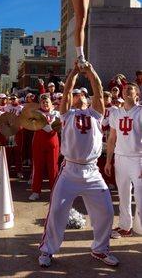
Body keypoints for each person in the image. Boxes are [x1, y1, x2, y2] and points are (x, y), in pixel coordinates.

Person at [38, 62, 118, 268]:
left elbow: (99, 91)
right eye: (76, 94)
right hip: (70, 170)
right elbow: (65, 92)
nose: (79, 95)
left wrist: (91, 71)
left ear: (87, 98)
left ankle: (100, 249)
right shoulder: (67, 114)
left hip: (92, 171)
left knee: (107, 212)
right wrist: (74, 72)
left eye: (82, 94)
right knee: (56, 212)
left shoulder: (96, 114)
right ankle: (47, 250)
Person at [105, 82, 142, 239]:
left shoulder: (140, 112)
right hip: (120, 158)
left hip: (138, 158)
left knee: (140, 196)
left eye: (130, 89)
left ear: (137, 95)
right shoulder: (116, 113)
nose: (127, 90)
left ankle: (140, 228)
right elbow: (112, 138)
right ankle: (125, 226)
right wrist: (108, 160)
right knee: (123, 194)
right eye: (125, 89)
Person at [29, 95, 60, 201]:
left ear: (51, 103)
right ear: (40, 103)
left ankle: (55, 191)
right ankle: (35, 191)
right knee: (38, 167)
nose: (45, 104)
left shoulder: (56, 113)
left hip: (53, 141)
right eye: (43, 102)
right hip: (38, 141)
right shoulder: (36, 113)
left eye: (47, 102)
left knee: (53, 168)